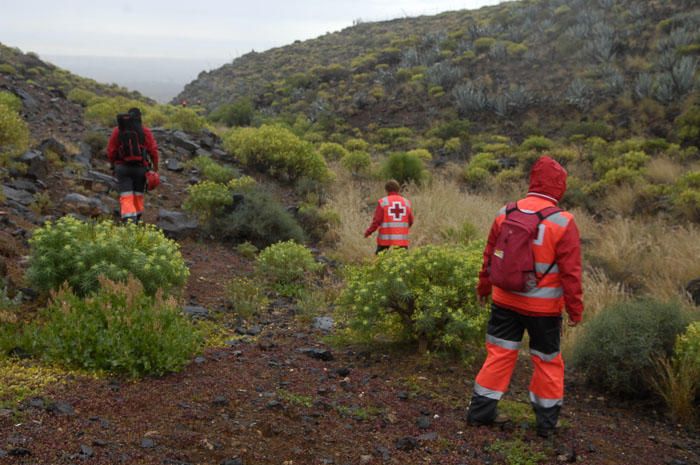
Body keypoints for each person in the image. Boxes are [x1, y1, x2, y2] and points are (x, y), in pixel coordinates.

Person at [466, 155, 583, 438]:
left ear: (532, 181)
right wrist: (575, 310)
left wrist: (483, 288)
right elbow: (571, 273)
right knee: (547, 361)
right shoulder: (563, 222)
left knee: (499, 355)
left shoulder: (504, 212)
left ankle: (480, 413)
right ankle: (546, 424)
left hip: (505, 301)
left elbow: (489, 257)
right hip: (544, 311)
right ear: (559, 186)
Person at [106, 108, 159, 222]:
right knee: (138, 194)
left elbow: (111, 151)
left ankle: (129, 221)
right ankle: (136, 219)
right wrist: (155, 168)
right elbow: (153, 151)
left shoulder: (118, 130)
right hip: (140, 169)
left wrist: (112, 164)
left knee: (126, 195)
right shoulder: (145, 131)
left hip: (122, 168)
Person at [364, 180, 414, 254]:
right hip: (401, 239)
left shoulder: (383, 202)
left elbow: (377, 221)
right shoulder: (406, 202)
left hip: (385, 239)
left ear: (386, 190)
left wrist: (368, 232)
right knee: (402, 261)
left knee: (380, 260)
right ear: (398, 189)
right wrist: (401, 230)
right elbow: (411, 221)